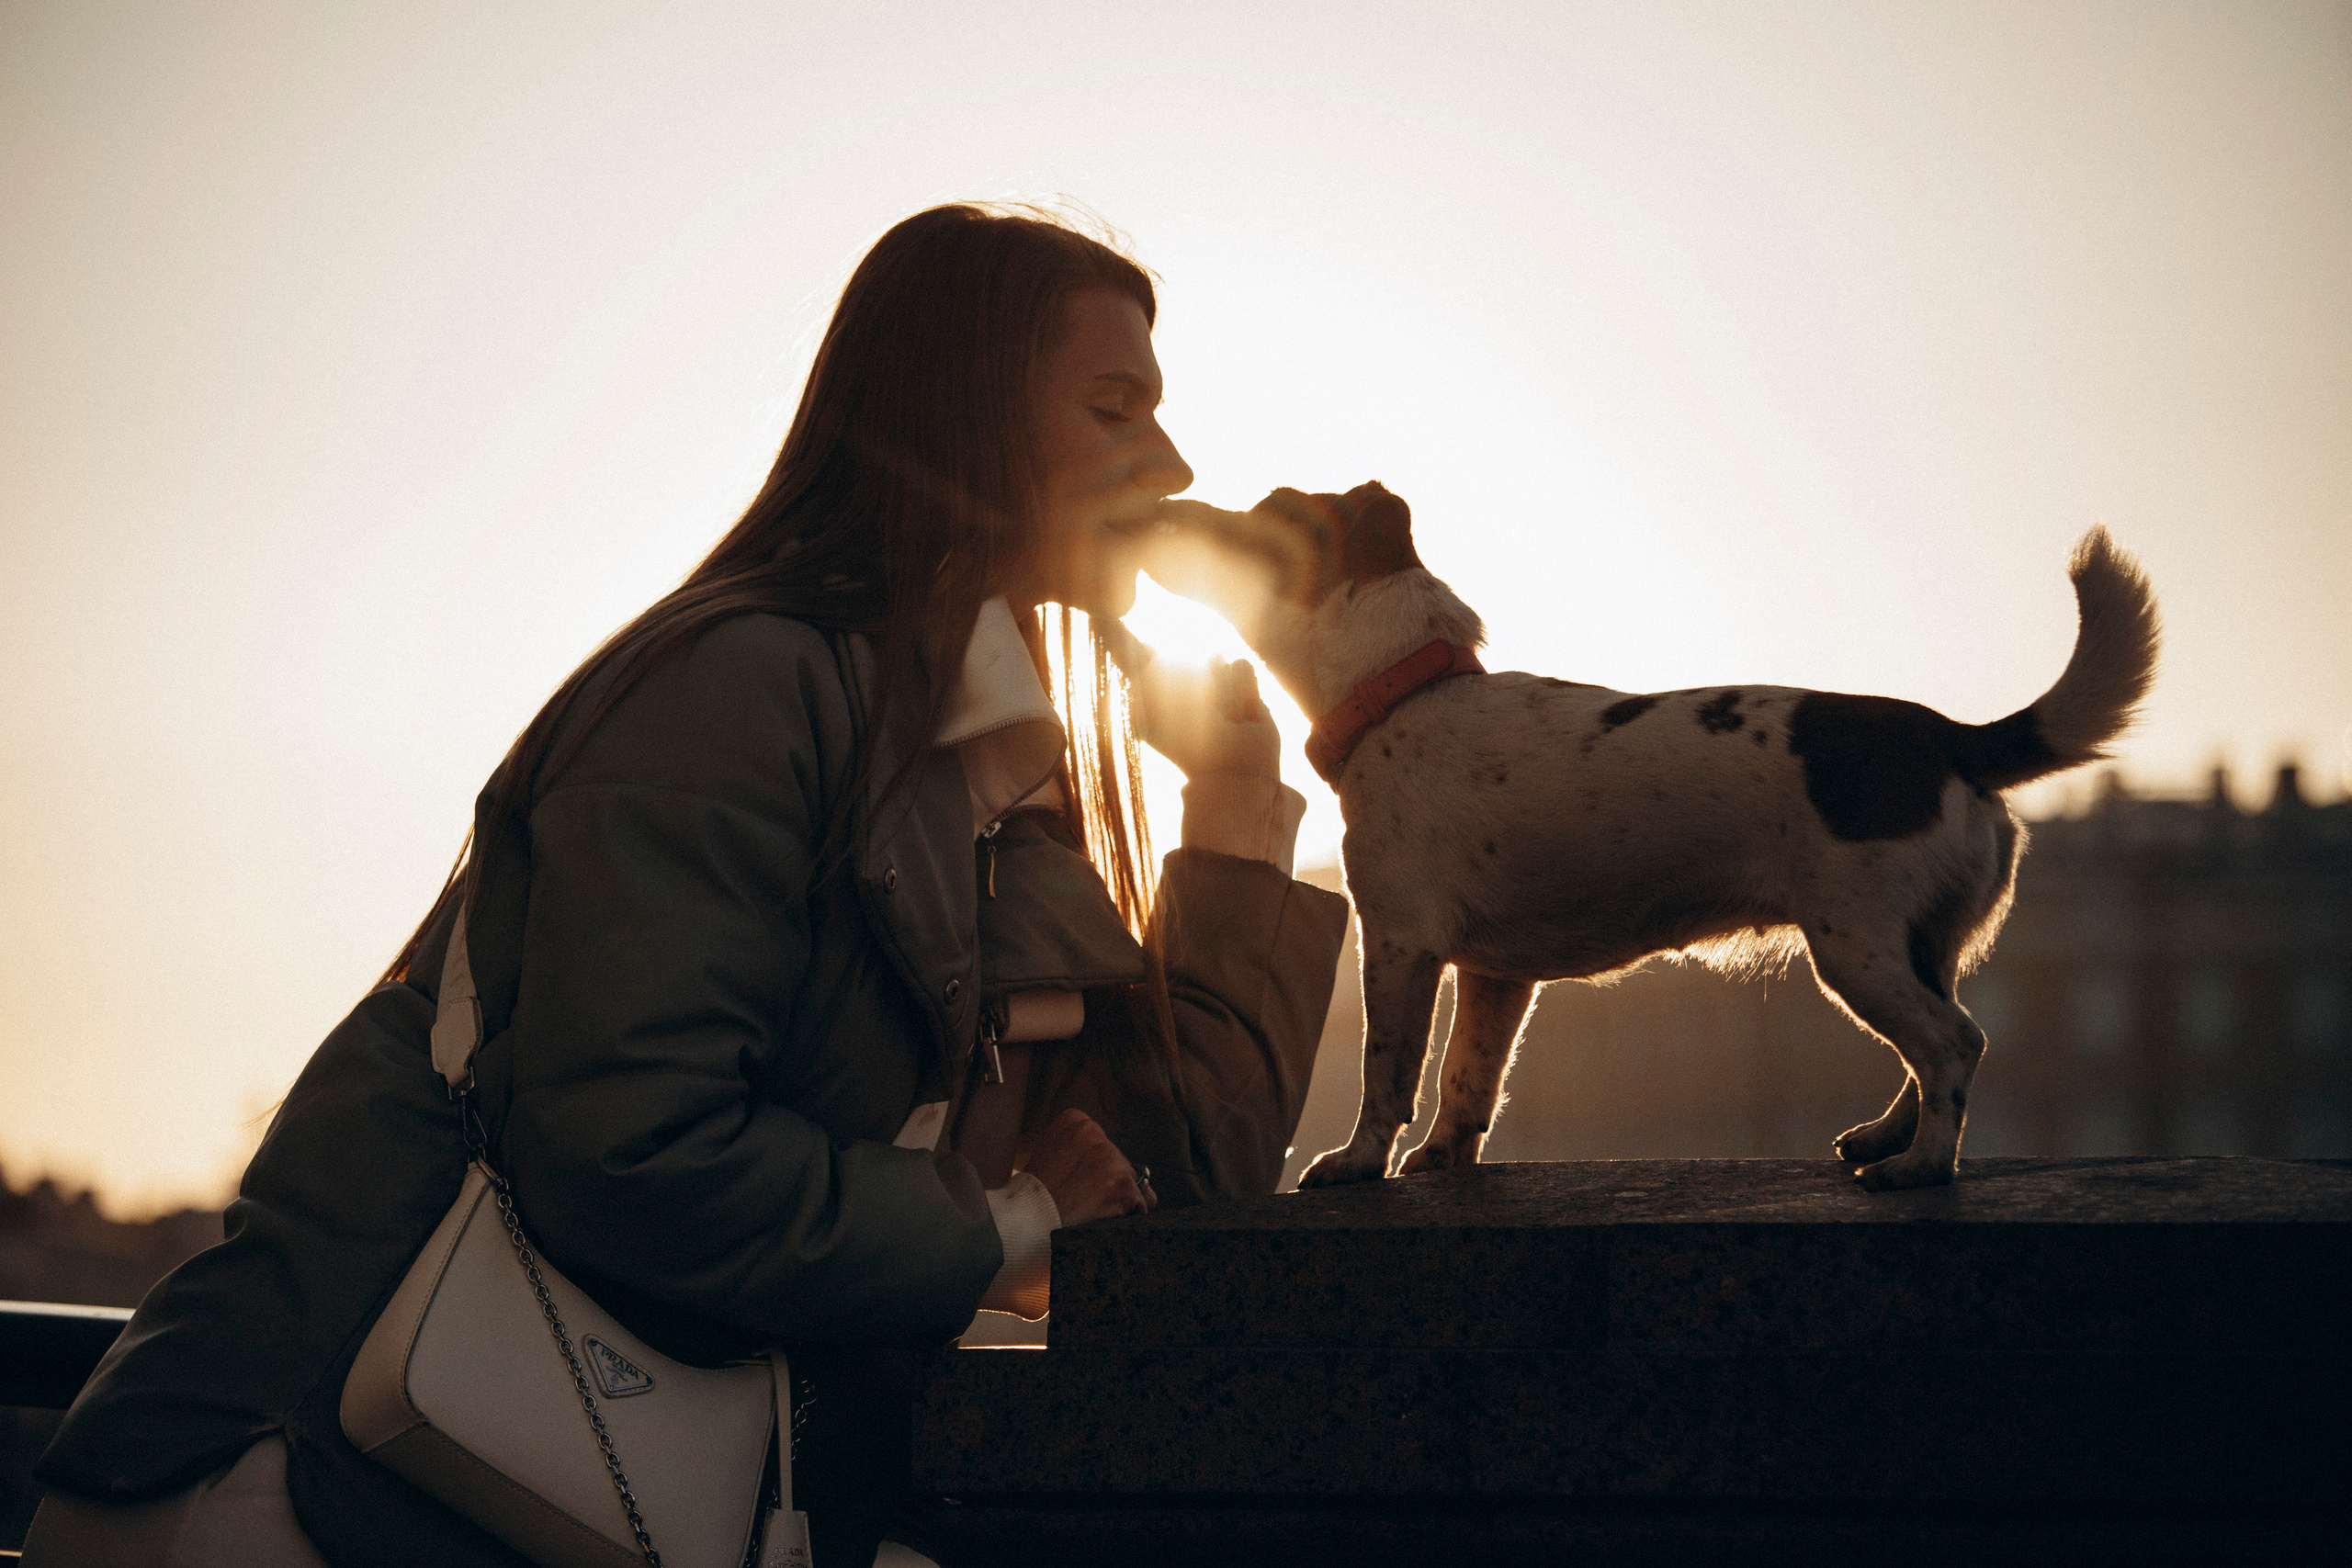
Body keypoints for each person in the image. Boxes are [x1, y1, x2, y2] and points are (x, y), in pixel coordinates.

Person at [26, 205, 1351, 1568]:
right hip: (307, 1490)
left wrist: (1238, 826)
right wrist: (1004, 1227)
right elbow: (633, 1151)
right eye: (1115, 409)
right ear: (963, 415)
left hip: (555, 1494)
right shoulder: (741, 686)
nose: (1175, 462)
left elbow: (1165, 1204)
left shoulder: (995, 765)